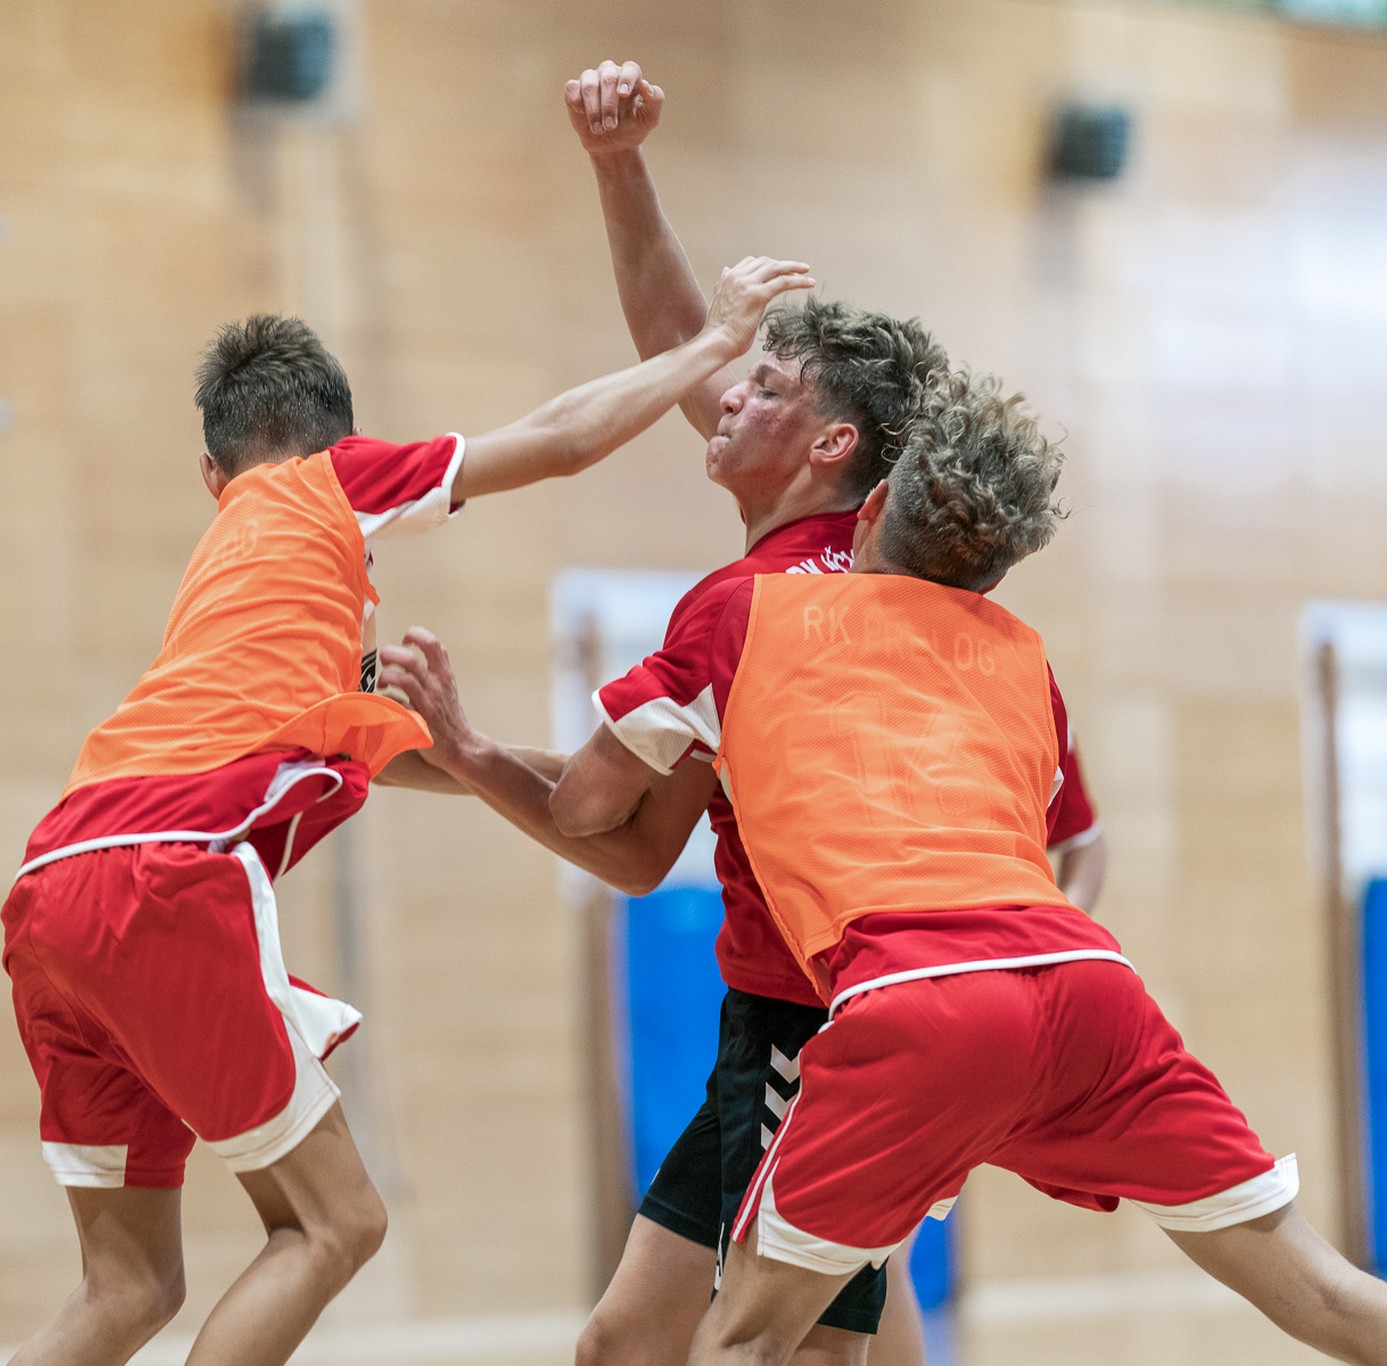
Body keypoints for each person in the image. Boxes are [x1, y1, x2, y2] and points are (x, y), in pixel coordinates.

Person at [519, 368, 1387, 1366]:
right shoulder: (1025, 661)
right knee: (1321, 1292)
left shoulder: (745, 616)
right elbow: (1047, 832)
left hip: (911, 998)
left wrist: (452, 749)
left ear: (877, 505)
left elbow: (586, 808)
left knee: (749, 1343)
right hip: (1088, 988)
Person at [0, 257, 814, 1366]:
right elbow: (563, 437)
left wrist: (494, 757)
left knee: (126, 1286)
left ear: (207, 471)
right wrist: (712, 344)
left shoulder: (243, 590)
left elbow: (406, 754)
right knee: (337, 1221)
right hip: (164, 874)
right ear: (342, 441)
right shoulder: (322, 486)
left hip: (50, 887)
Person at [563, 60, 1113, 1366]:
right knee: (758, 1332)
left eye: (767, 385)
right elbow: (679, 336)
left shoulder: (840, 594)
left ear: (830, 448)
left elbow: (608, 816)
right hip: (803, 1007)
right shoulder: (804, 551)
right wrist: (618, 167)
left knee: (754, 1345)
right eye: (737, 384)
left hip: (836, 1013)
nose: (728, 388)